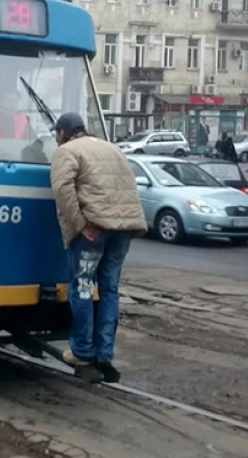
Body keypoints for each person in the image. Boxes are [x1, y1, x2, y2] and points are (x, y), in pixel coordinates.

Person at [49, 113, 147, 385]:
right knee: (110, 290)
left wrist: (80, 225)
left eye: (55, 134)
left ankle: (82, 352)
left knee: (81, 288)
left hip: (94, 231)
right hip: (122, 230)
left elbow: (62, 189)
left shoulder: (66, 152)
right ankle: (104, 353)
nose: (55, 139)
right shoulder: (112, 148)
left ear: (62, 132)